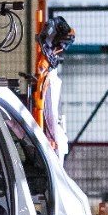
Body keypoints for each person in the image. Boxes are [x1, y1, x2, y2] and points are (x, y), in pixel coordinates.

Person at [33, 16, 75, 159]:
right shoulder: (49, 77)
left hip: (52, 145)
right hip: (52, 142)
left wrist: (50, 139)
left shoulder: (50, 78)